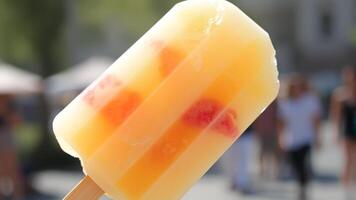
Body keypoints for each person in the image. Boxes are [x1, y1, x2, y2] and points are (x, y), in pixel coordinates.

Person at [277, 74, 321, 200]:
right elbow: (281, 122)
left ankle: (303, 187)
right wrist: (281, 137)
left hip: (306, 138)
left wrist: (318, 137)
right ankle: (301, 184)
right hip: (291, 139)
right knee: (295, 165)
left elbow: (316, 120)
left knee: (303, 164)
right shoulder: (285, 102)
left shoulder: (310, 100)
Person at [330, 66, 356, 191]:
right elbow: (336, 116)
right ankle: (346, 186)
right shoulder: (340, 94)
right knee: (347, 158)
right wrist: (335, 132)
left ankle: (352, 181)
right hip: (347, 129)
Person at [0, 95, 24, 199]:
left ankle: (17, 196)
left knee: (12, 170)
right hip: (5, 138)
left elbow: (17, 121)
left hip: (5, 138)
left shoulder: (8, 102)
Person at [224, 124, 255, 194]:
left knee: (243, 161)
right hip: (229, 134)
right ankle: (233, 181)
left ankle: (242, 183)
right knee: (230, 160)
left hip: (245, 134)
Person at [254, 100, 279, 179]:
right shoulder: (260, 104)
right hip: (262, 132)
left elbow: (277, 119)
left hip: (272, 132)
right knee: (262, 152)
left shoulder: (275, 105)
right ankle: (263, 171)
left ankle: (273, 172)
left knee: (272, 152)